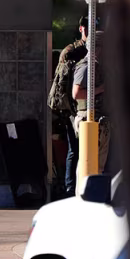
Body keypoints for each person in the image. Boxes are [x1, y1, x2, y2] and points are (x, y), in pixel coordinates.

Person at [49, 16, 88, 196]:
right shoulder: (71, 51)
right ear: (81, 29)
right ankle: (70, 189)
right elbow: (62, 83)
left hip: (92, 107)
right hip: (74, 108)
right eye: (87, 29)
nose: (89, 32)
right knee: (75, 149)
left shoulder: (97, 49)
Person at [72, 30, 110, 174]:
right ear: (99, 48)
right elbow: (76, 94)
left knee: (97, 167)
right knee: (88, 166)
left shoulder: (99, 66)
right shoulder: (86, 66)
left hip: (99, 122)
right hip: (89, 120)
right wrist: (100, 89)